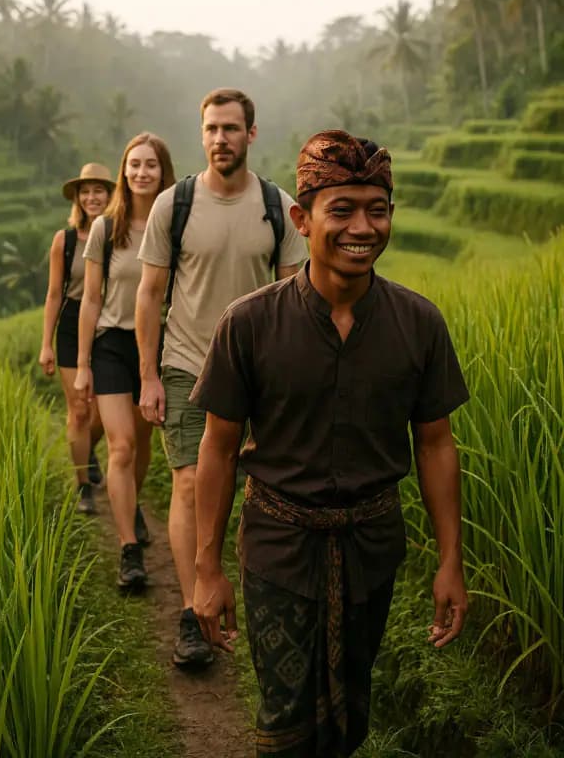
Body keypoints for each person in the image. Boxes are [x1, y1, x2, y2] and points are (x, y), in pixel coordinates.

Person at [190, 130, 470, 758]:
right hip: (279, 547)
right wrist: (207, 567)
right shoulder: (250, 323)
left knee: (351, 714)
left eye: (377, 209)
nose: (361, 227)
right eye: (341, 209)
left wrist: (450, 559)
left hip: (373, 546)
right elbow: (217, 448)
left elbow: (435, 443)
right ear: (302, 218)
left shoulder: (418, 323)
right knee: (288, 720)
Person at [135, 88, 306, 665]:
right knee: (189, 483)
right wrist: (148, 377)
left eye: (231, 129)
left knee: (253, 492)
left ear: (251, 134)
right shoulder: (173, 205)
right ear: (200, 132)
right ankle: (191, 611)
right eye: (211, 129)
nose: (220, 139)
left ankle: (250, 596)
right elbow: (151, 292)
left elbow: (295, 298)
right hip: (186, 365)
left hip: (258, 376)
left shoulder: (279, 207)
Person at [75, 132, 175, 590]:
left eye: (150, 165)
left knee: (142, 442)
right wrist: (82, 364)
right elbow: (91, 299)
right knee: (121, 447)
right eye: (134, 164)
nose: (141, 173)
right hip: (112, 343)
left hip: (158, 345)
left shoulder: (176, 221)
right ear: (123, 170)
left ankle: (130, 502)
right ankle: (128, 549)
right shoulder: (105, 227)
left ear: (162, 171)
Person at [39, 163, 114, 514]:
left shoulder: (119, 235)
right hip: (71, 323)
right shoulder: (64, 240)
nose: (91, 197)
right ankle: (82, 483)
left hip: (110, 323)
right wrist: (46, 344)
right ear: (78, 198)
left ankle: (87, 451)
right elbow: (54, 294)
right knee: (80, 409)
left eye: (98, 190)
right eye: (85, 192)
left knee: (105, 409)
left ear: (110, 195)